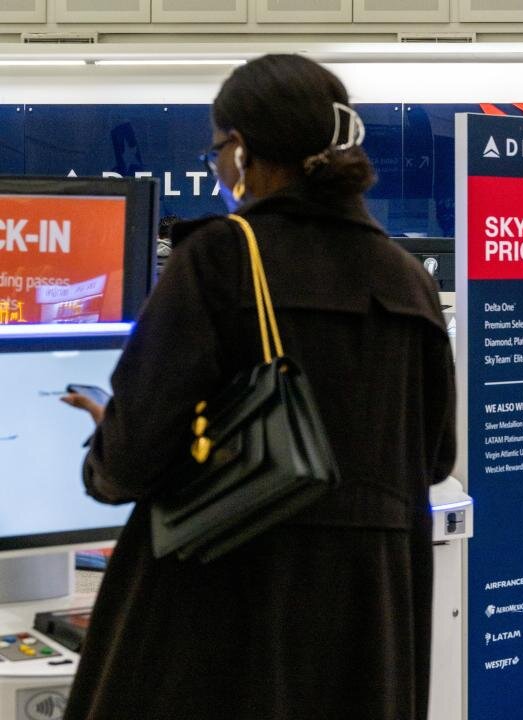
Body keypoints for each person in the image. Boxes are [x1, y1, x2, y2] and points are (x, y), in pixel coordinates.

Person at [61, 54, 456, 720]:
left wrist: (108, 443)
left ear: (242, 151)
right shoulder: (406, 279)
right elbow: (435, 458)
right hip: (371, 615)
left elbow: (133, 458)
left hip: (220, 601)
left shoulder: (218, 258)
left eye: (219, 149)